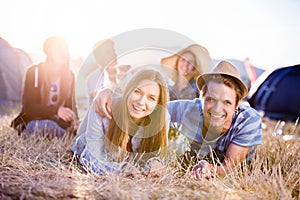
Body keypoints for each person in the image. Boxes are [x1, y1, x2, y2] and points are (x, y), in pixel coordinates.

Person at [94, 60, 262, 179]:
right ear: (201, 98)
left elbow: (229, 169)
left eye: (226, 102)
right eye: (210, 100)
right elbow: (150, 106)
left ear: (237, 104)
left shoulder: (248, 120)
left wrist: (210, 169)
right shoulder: (188, 109)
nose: (217, 109)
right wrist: (107, 91)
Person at [71, 67, 170, 177]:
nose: (141, 102)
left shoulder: (162, 117)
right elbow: (91, 158)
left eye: (151, 98)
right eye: (137, 92)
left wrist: (156, 163)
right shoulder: (104, 106)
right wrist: (121, 170)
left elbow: (159, 155)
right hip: (88, 148)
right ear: (129, 90)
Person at [11, 36, 78, 137]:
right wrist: (56, 110)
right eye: (59, 47)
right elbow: (29, 108)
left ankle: (69, 134)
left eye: (65, 48)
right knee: (46, 126)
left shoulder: (70, 76)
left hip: (60, 123)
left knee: (85, 126)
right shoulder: (34, 72)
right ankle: (67, 136)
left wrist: (74, 120)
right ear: (48, 51)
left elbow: (71, 106)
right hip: (36, 121)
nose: (64, 51)